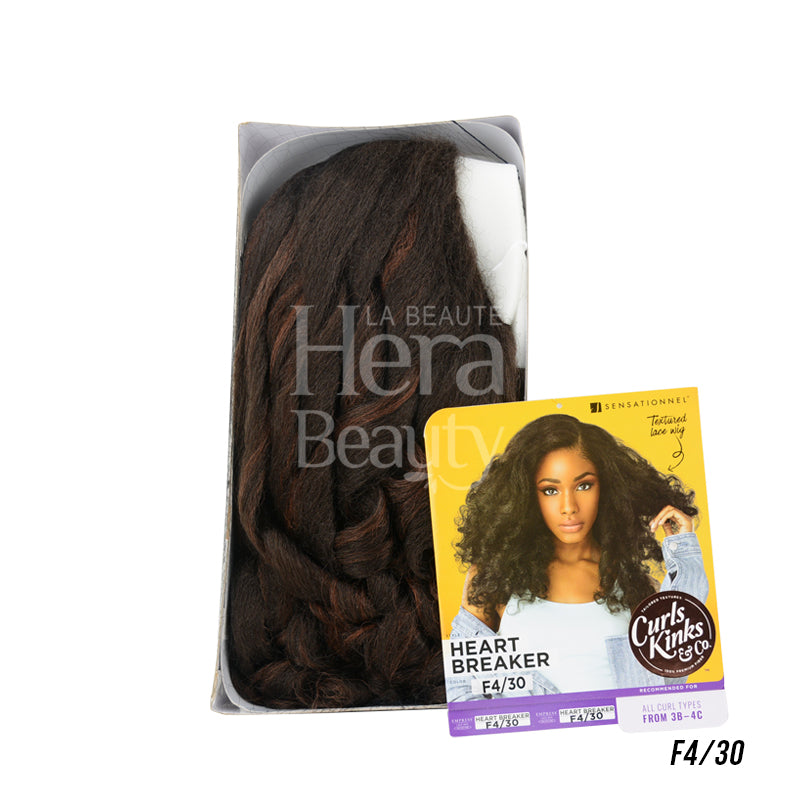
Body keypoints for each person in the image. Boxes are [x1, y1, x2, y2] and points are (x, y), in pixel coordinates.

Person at [449, 414, 708, 701]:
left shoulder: (634, 585)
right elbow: (461, 690)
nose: (569, 507)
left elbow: (671, 680)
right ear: (526, 495)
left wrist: (684, 552)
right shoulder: (494, 578)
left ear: (606, 487)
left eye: (584, 486)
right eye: (550, 490)